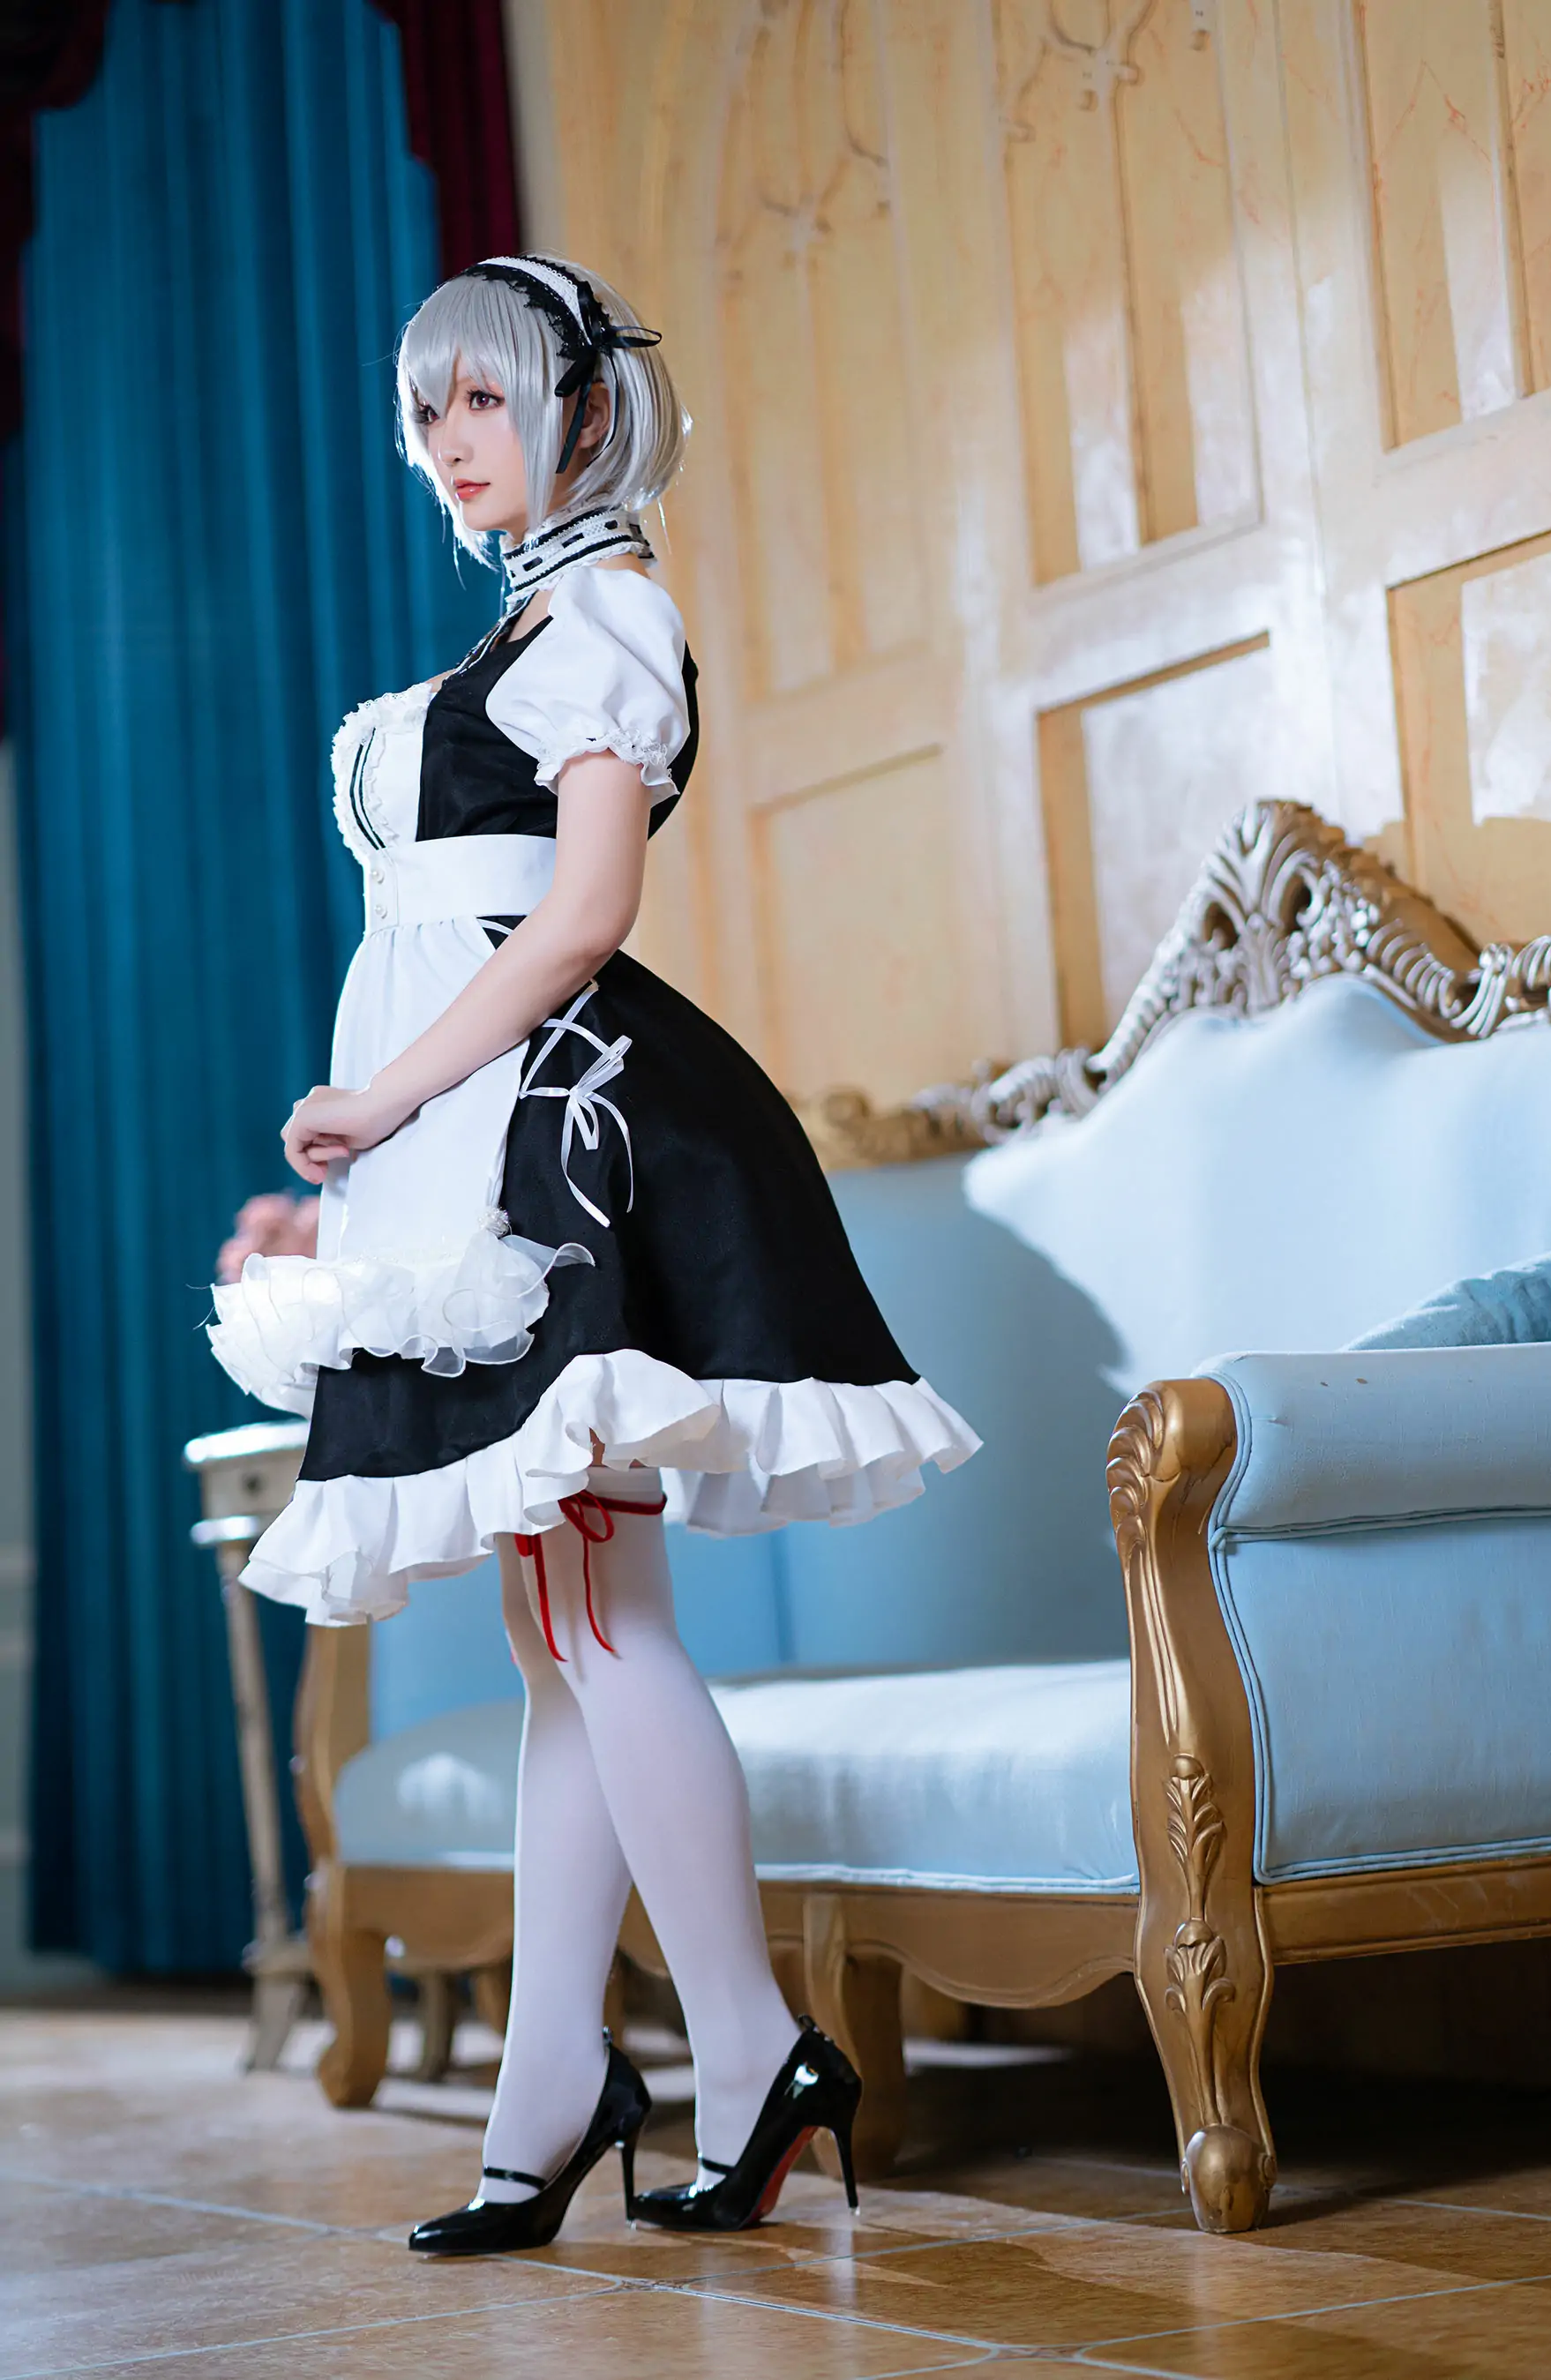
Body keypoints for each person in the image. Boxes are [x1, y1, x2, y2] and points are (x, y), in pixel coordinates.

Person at [209, 252, 978, 2253]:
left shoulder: (609, 616)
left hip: (565, 1129)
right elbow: (446, 936)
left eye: (483, 398)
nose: (447, 443)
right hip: (479, 1131)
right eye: (426, 411)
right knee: (566, 1625)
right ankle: (558, 2085)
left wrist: (384, 1105)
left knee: (592, 1618)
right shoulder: (527, 627)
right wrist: (374, 1149)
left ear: (579, 405)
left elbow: (575, 919)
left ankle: (748, 2047)